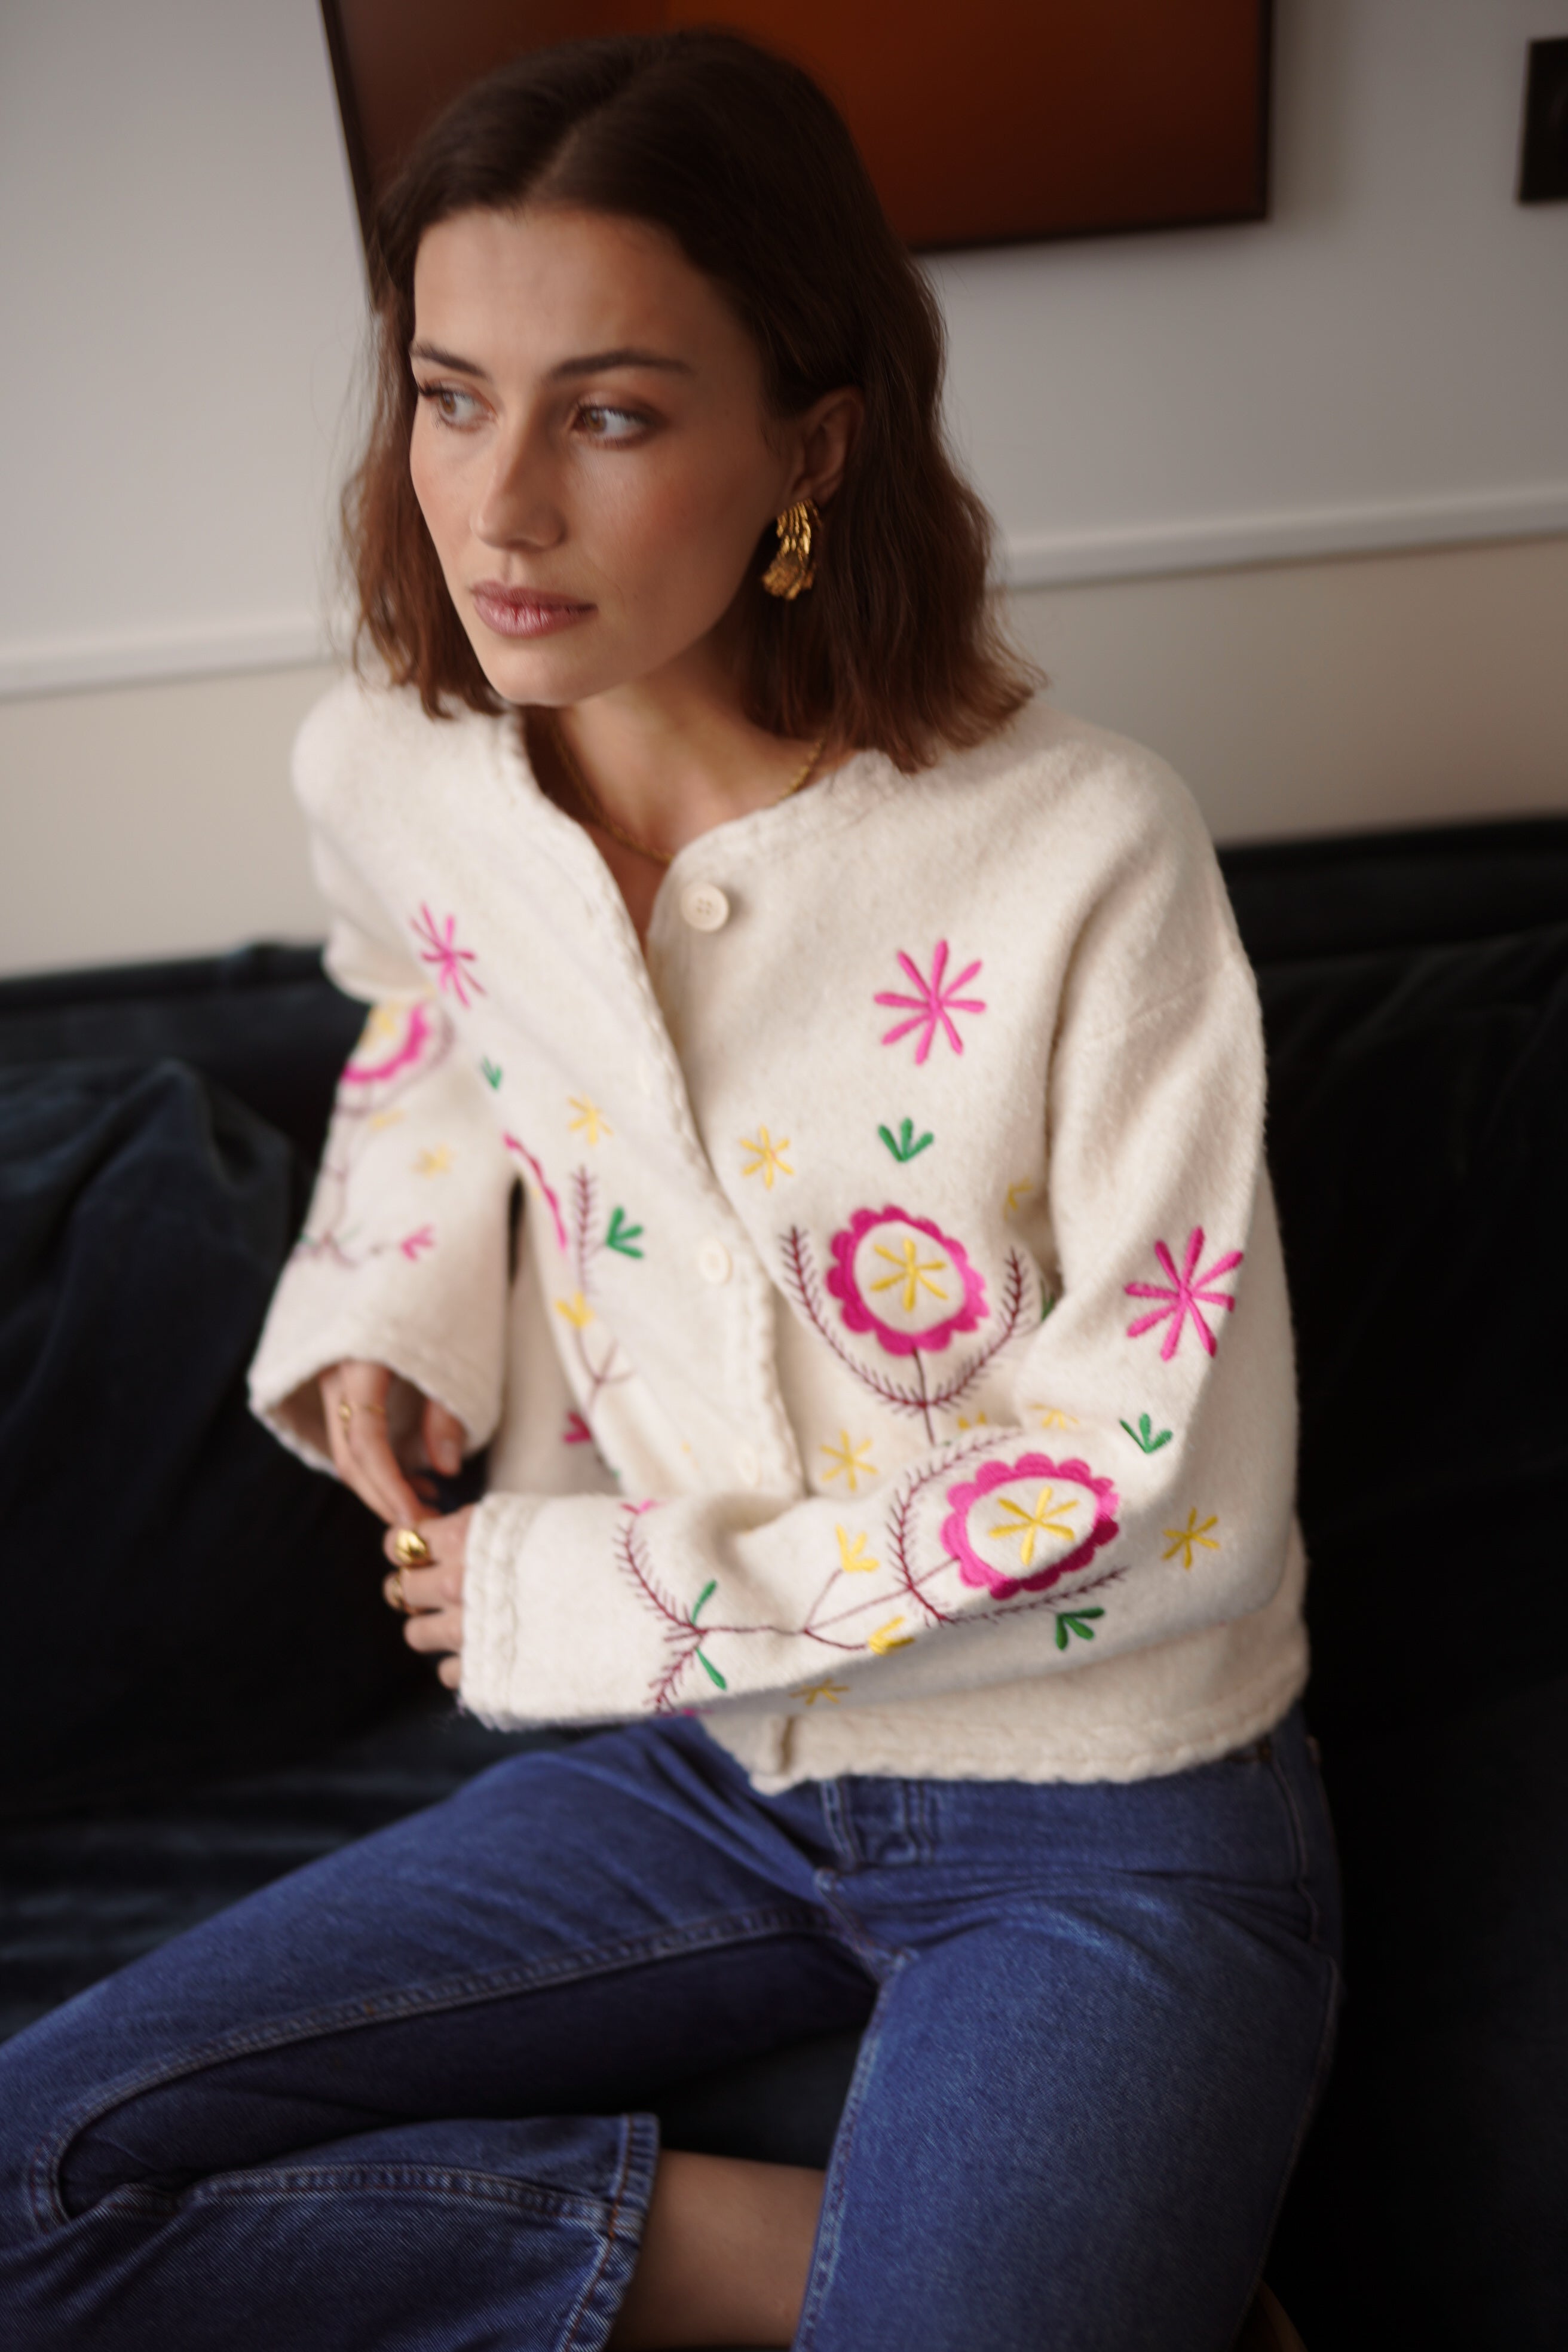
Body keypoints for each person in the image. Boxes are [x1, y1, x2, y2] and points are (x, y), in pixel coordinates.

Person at [0, 29, 1339, 2350]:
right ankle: (836, 2266)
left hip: (1101, 1804)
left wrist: (598, 1595)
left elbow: (1149, 1472)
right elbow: (422, 1022)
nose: (497, 508)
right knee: (27, 2186)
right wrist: (390, 1305)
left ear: (809, 445)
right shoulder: (398, 771)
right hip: (708, 1783)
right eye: (450, 398)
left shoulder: (1074, 851)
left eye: (608, 415)